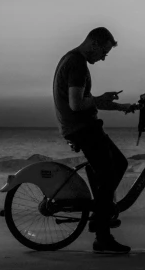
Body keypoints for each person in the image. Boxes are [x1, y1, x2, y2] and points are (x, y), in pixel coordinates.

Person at [53, 27, 133, 254]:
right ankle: (102, 233)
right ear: (94, 44)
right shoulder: (77, 63)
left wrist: (119, 107)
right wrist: (100, 98)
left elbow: (88, 101)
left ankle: (101, 212)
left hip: (84, 127)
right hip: (82, 128)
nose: (104, 57)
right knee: (109, 172)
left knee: (119, 164)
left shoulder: (72, 59)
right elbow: (77, 104)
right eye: (104, 52)